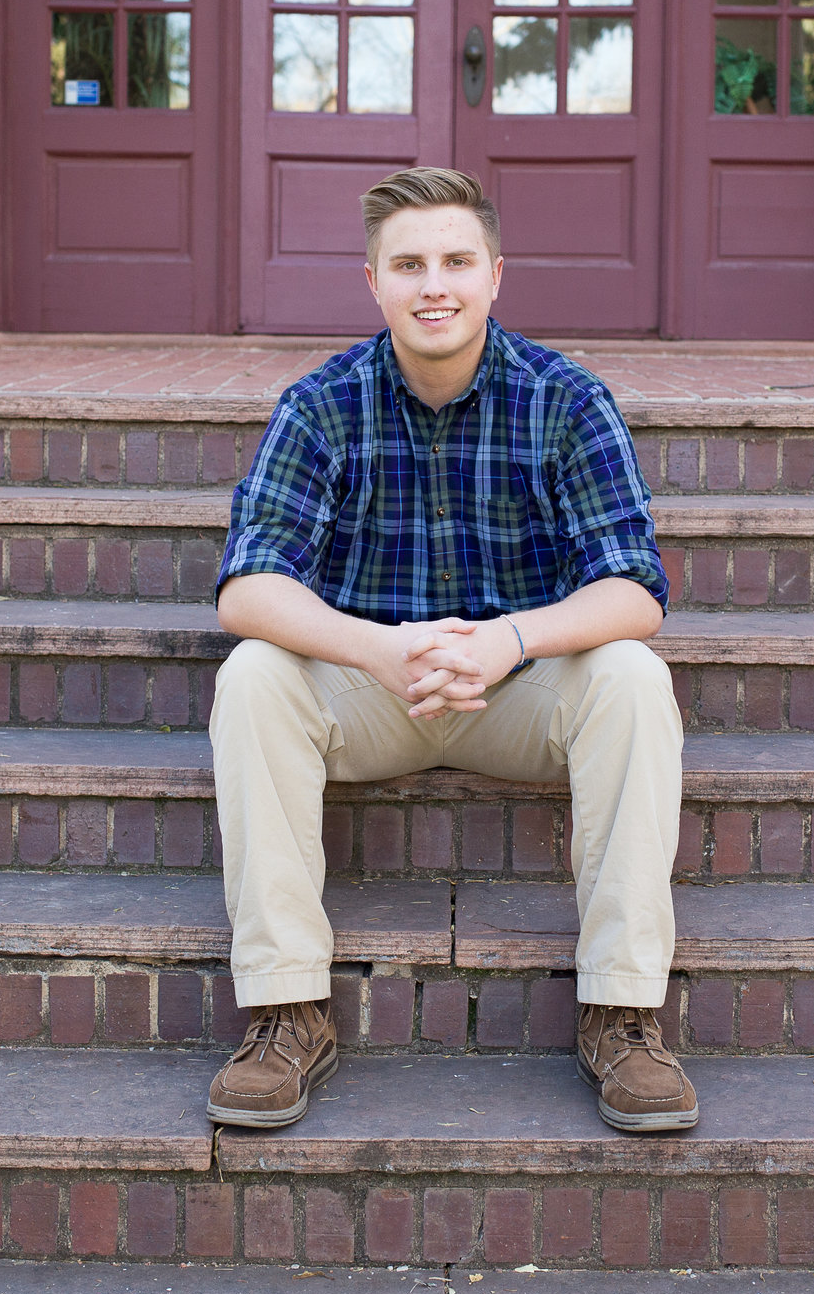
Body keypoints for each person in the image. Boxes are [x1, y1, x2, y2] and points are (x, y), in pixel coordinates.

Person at [205, 166, 695, 1134]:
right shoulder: (321, 404)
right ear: (373, 280)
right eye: (410, 264)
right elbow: (248, 585)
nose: (435, 284)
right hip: (371, 691)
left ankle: (623, 1012)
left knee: (633, 677)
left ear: (495, 274)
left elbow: (633, 587)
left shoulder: (564, 399)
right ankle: (284, 1009)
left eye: (456, 261)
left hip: (514, 690)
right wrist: (377, 651)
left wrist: (513, 640)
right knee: (254, 673)